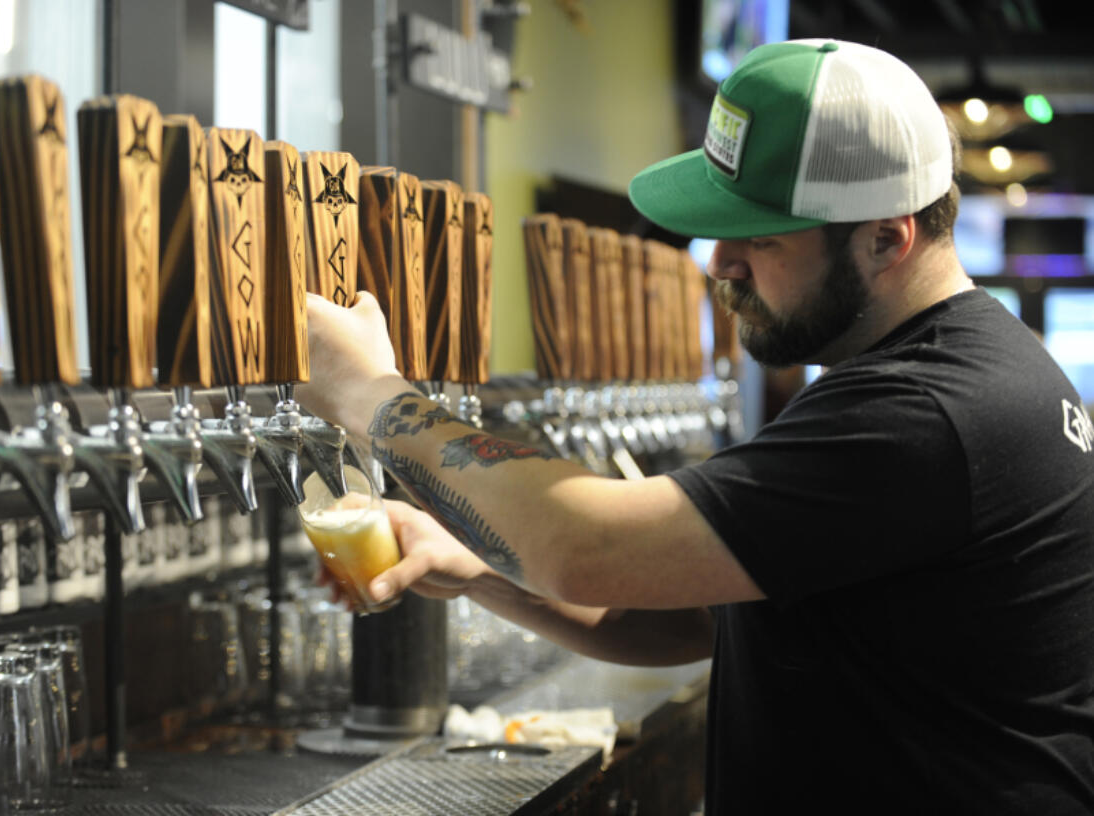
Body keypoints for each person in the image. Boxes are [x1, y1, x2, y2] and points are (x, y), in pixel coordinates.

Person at [296, 39, 1094, 814]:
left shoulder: (928, 411)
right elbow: (698, 615)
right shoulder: (952, 375)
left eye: (760, 239)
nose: (718, 264)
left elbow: (585, 549)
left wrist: (369, 394)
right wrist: (478, 565)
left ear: (887, 237)